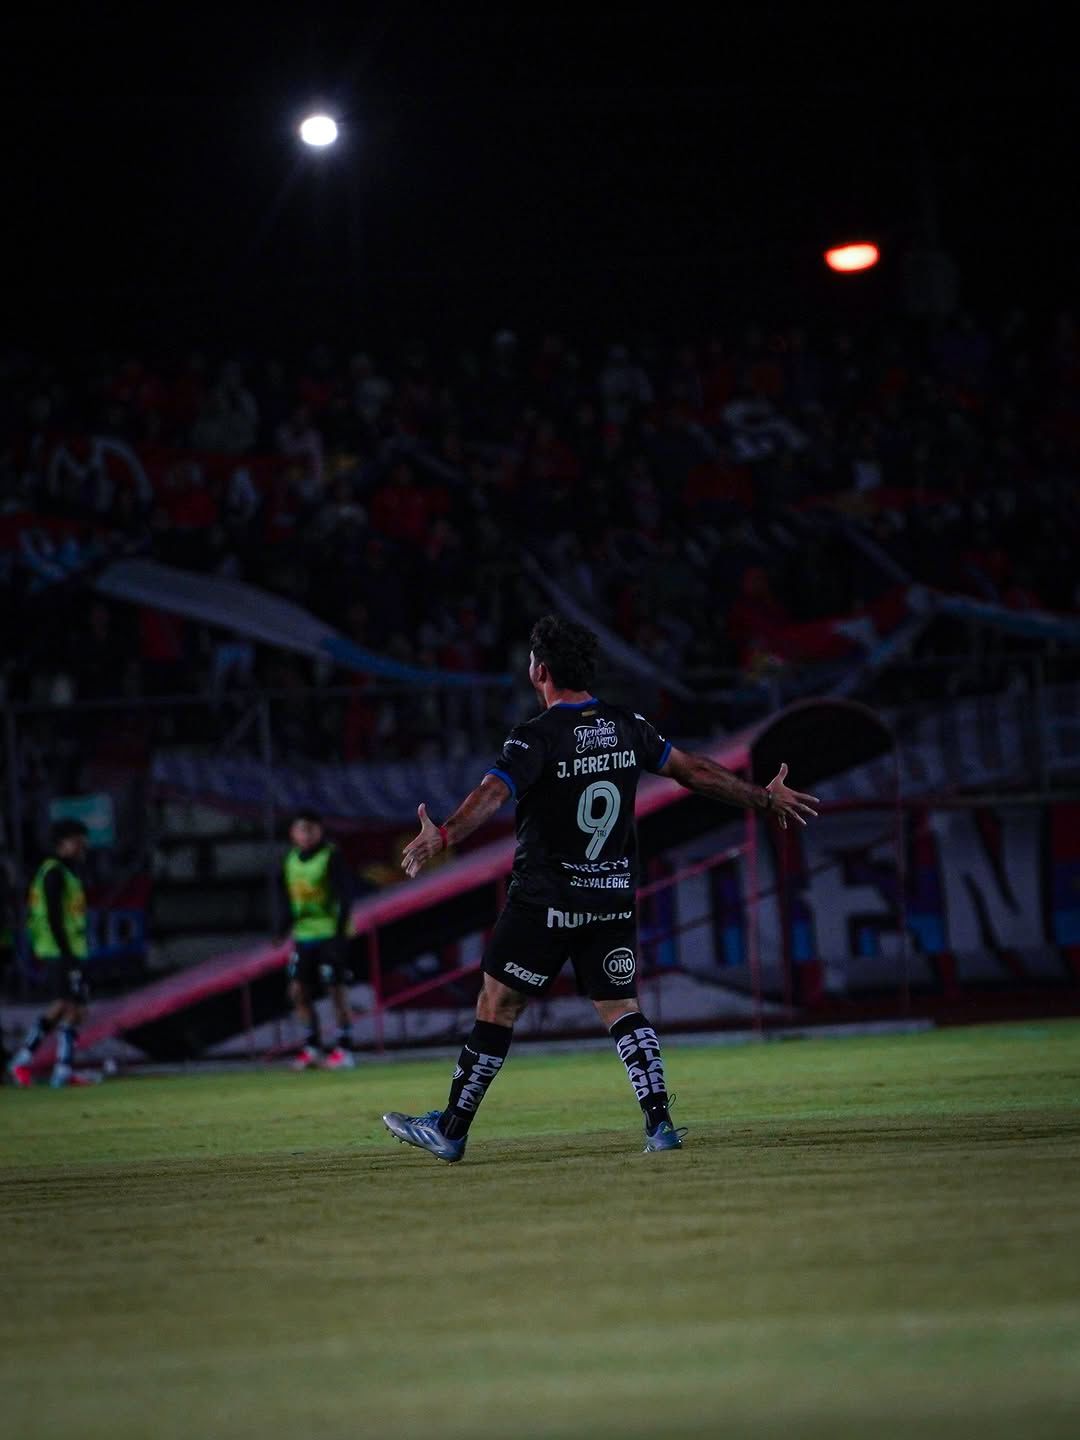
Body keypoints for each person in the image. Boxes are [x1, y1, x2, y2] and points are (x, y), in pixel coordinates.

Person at [382, 615, 819, 1163]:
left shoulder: (535, 737)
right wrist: (762, 797)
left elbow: (492, 794)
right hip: (610, 896)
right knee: (621, 1008)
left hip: (544, 900)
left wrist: (443, 835)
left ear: (540, 671)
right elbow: (694, 771)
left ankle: (450, 1129)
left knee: (496, 1006)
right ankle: (660, 1125)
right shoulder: (627, 725)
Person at [9, 820, 96, 1088]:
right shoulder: (54, 873)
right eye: (77, 841)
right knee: (71, 1007)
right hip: (61, 950)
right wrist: (67, 954)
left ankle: (35, 1063)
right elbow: (54, 917)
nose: (82, 846)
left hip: (67, 949)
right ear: (62, 843)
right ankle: (48, 1066)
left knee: (70, 1007)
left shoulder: (63, 872)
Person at [278, 811, 356, 1070]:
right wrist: (281, 929)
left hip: (330, 933)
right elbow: (289, 899)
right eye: (302, 829)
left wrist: (341, 933)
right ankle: (312, 1047)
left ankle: (344, 1049)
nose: (307, 835)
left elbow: (345, 895)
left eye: (311, 829)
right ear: (293, 833)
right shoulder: (291, 860)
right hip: (304, 935)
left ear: (320, 831)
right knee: (297, 990)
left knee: (335, 989)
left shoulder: (330, 856)